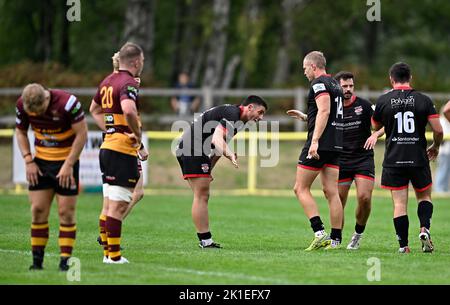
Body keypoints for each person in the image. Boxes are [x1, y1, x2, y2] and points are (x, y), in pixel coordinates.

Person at [176, 95, 267, 248]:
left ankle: (205, 240)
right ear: (250, 107)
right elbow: (217, 139)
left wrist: (210, 169)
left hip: (195, 150)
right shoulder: (233, 114)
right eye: (260, 112)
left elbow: (220, 146)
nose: (261, 117)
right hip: (193, 149)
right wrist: (230, 153)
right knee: (201, 196)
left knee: (202, 196)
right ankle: (205, 241)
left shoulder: (238, 120)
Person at [15, 83, 88, 271]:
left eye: (40, 111)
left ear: (46, 99)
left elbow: (82, 135)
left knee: (66, 213)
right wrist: (28, 160)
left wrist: (69, 165)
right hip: (41, 164)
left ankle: (65, 261)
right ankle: (37, 263)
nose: (37, 116)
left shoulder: (68, 103)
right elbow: (21, 132)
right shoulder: (23, 104)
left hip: (67, 163)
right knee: (38, 210)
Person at [372, 62, 443, 253]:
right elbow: (438, 129)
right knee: (424, 196)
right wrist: (435, 146)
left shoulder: (383, 101)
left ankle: (403, 246)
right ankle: (424, 229)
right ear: (410, 78)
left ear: (391, 79)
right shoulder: (424, 100)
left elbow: (375, 125)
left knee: (399, 203)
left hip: (394, 158)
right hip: (418, 157)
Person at [89, 42, 145, 264]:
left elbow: (94, 109)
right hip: (121, 150)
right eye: (142, 61)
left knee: (111, 203)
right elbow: (129, 109)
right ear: (136, 61)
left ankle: (108, 254)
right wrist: (136, 134)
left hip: (108, 147)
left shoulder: (107, 81)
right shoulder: (127, 82)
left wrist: (111, 129)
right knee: (119, 205)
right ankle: (113, 257)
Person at [288, 51, 344, 251]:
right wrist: (305, 117)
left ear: (313, 66)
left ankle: (319, 232)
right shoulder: (336, 84)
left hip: (321, 143)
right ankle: (336, 240)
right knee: (331, 192)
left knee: (300, 188)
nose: (304, 73)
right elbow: (328, 112)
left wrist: (315, 141)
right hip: (337, 143)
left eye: (305, 68)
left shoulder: (318, 83)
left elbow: (325, 110)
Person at [434, 106, 450, 194]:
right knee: (443, 169)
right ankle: (439, 189)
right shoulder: (442, 121)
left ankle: (444, 188)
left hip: (448, 150)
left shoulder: (446, 121)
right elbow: (440, 135)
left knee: (447, 170)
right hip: (443, 151)